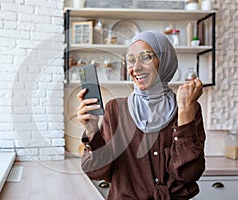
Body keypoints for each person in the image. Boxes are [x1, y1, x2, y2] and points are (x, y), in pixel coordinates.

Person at [76, 31, 205, 200]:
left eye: (146, 57)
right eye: (130, 60)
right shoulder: (115, 109)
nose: (135, 67)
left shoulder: (188, 107)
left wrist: (185, 112)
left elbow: (188, 174)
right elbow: (96, 171)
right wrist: (92, 129)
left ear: (165, 61)